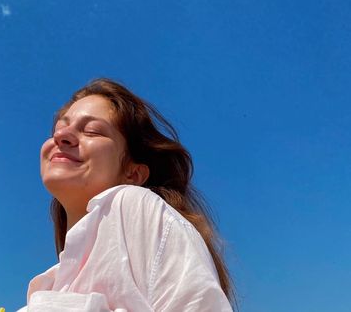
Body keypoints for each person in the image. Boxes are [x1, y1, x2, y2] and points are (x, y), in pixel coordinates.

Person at [18, 78, 235, 312]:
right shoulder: (50, 282)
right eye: (59, 128)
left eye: (92, 131)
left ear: (133, 173)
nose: (63, 136)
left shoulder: (131, 203)